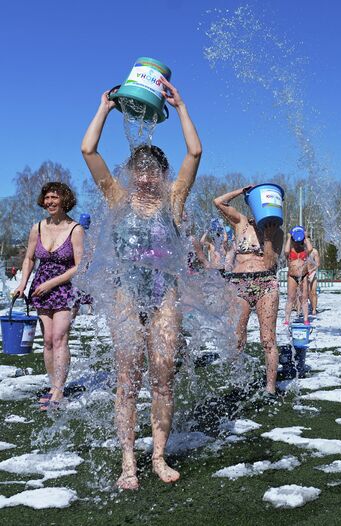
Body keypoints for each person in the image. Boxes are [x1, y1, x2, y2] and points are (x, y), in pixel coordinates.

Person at [81, 78, 201, 489]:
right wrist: (105, 109)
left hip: (164, 294)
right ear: (131, 174)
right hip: (127, 294)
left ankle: (159, 457)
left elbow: (195, 152)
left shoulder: (173, 202)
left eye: (155, 172)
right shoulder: (117, 198)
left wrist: (181, 107)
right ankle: (128, 462)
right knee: (128, 378)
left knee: (163, 376)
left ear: (164, 176)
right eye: (141, 171)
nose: (148, 179)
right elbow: (89, 151)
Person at [13, 182, 84, 410]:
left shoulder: (76, 229)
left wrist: (52, 283)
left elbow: (80, 266)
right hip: (40, 288)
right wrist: (22, 284)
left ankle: (60, 391)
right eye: (47, 198)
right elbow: (29, 258)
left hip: (66, 287)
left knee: (59, 338)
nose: (50, 202)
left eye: (54, 197)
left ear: (64, 200)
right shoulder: (38, 227)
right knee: (47, 340)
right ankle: (53, 385)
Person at [213, 186, 283, 395]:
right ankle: (237, 382)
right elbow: (218, 201)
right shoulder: (241, 222)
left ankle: (270, 387)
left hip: (265, 283)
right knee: (237, 338)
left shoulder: (277, 231)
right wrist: (241, 190)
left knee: (268, 339)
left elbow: (271, 264)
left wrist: (268, 238)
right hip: (239, 283)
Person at [283, 226, 313, 326]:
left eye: (299, 242)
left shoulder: (305, 250)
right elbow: (285, 251)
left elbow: (310, 248)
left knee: (304, 298)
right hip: (292, 276)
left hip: (303, 276)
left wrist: (305, 236)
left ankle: (305, 319)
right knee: (291, 298)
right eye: (295, 241)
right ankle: (287, 319)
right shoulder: (290, 251)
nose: (297, 243)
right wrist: (288, 237)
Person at [306, 235, 320, 315]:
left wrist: (311, 270)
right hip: (304, 272)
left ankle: (314, 309)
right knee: (306, 292)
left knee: (313, 292)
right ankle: (303, 308)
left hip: (312, 272)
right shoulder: (301, 251)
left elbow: (318, 264)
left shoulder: (314, 251)